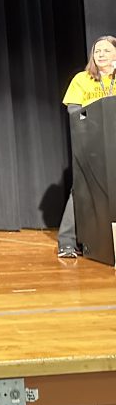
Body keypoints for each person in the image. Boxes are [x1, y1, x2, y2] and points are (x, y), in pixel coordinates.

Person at [58, 35, 116, 257]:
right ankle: (68, 242)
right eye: (97, 51)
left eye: (106, 51)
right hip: (91, 144)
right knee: (81, 189)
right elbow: (74, 110)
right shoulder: (82, 79)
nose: (101, 55)